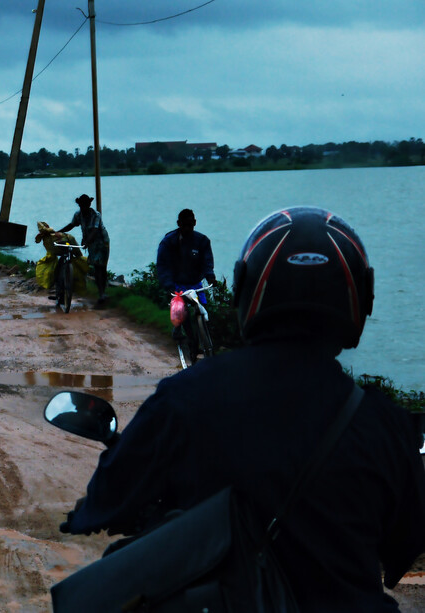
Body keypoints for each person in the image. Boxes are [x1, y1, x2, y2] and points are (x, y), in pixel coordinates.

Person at [64, 207, 425, 612]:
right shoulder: (385, 425)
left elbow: (107, 499)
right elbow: (402, 547)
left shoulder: (184, 398)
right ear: (361, 297)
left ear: (247, 290)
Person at [156, 208, 216, 359]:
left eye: (190, 225)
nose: (188, 229)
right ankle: (183, 332)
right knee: (182, 313)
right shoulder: (169, 242)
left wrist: (210, 276)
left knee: (203, 309)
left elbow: (207, 262)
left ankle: (206, 339)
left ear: (195, 223)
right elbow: (163, 265)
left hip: (196, 283)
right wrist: (168, 283)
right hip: (178, 284)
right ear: (179, 224)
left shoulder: (202, 241)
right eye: (184, 225)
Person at [59, 194, 110, 305]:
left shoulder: (96, 215)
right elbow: (71, 225)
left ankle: (102, 293)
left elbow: (95, 231)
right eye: (82, 205)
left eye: (86, 205)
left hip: (102, 242)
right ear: (79, 205)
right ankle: (101, 293)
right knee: (97, 267)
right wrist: (59, 232)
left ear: (89, 204)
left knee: (102, 267)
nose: (84, 207)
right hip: (91, 243)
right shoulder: (78, 215)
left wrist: (87, 241)